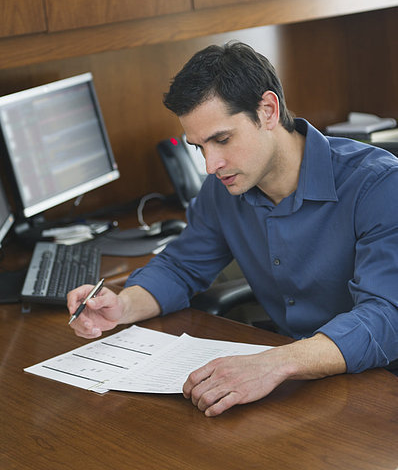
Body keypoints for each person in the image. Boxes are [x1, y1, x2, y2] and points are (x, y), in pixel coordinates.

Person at [68, 41, 398, 417]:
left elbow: (387, 317)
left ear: (268, 111)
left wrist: (274, 363)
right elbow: (181, 267)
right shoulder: (224, 188)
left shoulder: (378, 184)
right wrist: (122, 305)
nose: (211, 164)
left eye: (222, 140)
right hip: (297, 383)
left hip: (378, 384)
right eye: (199, 148)